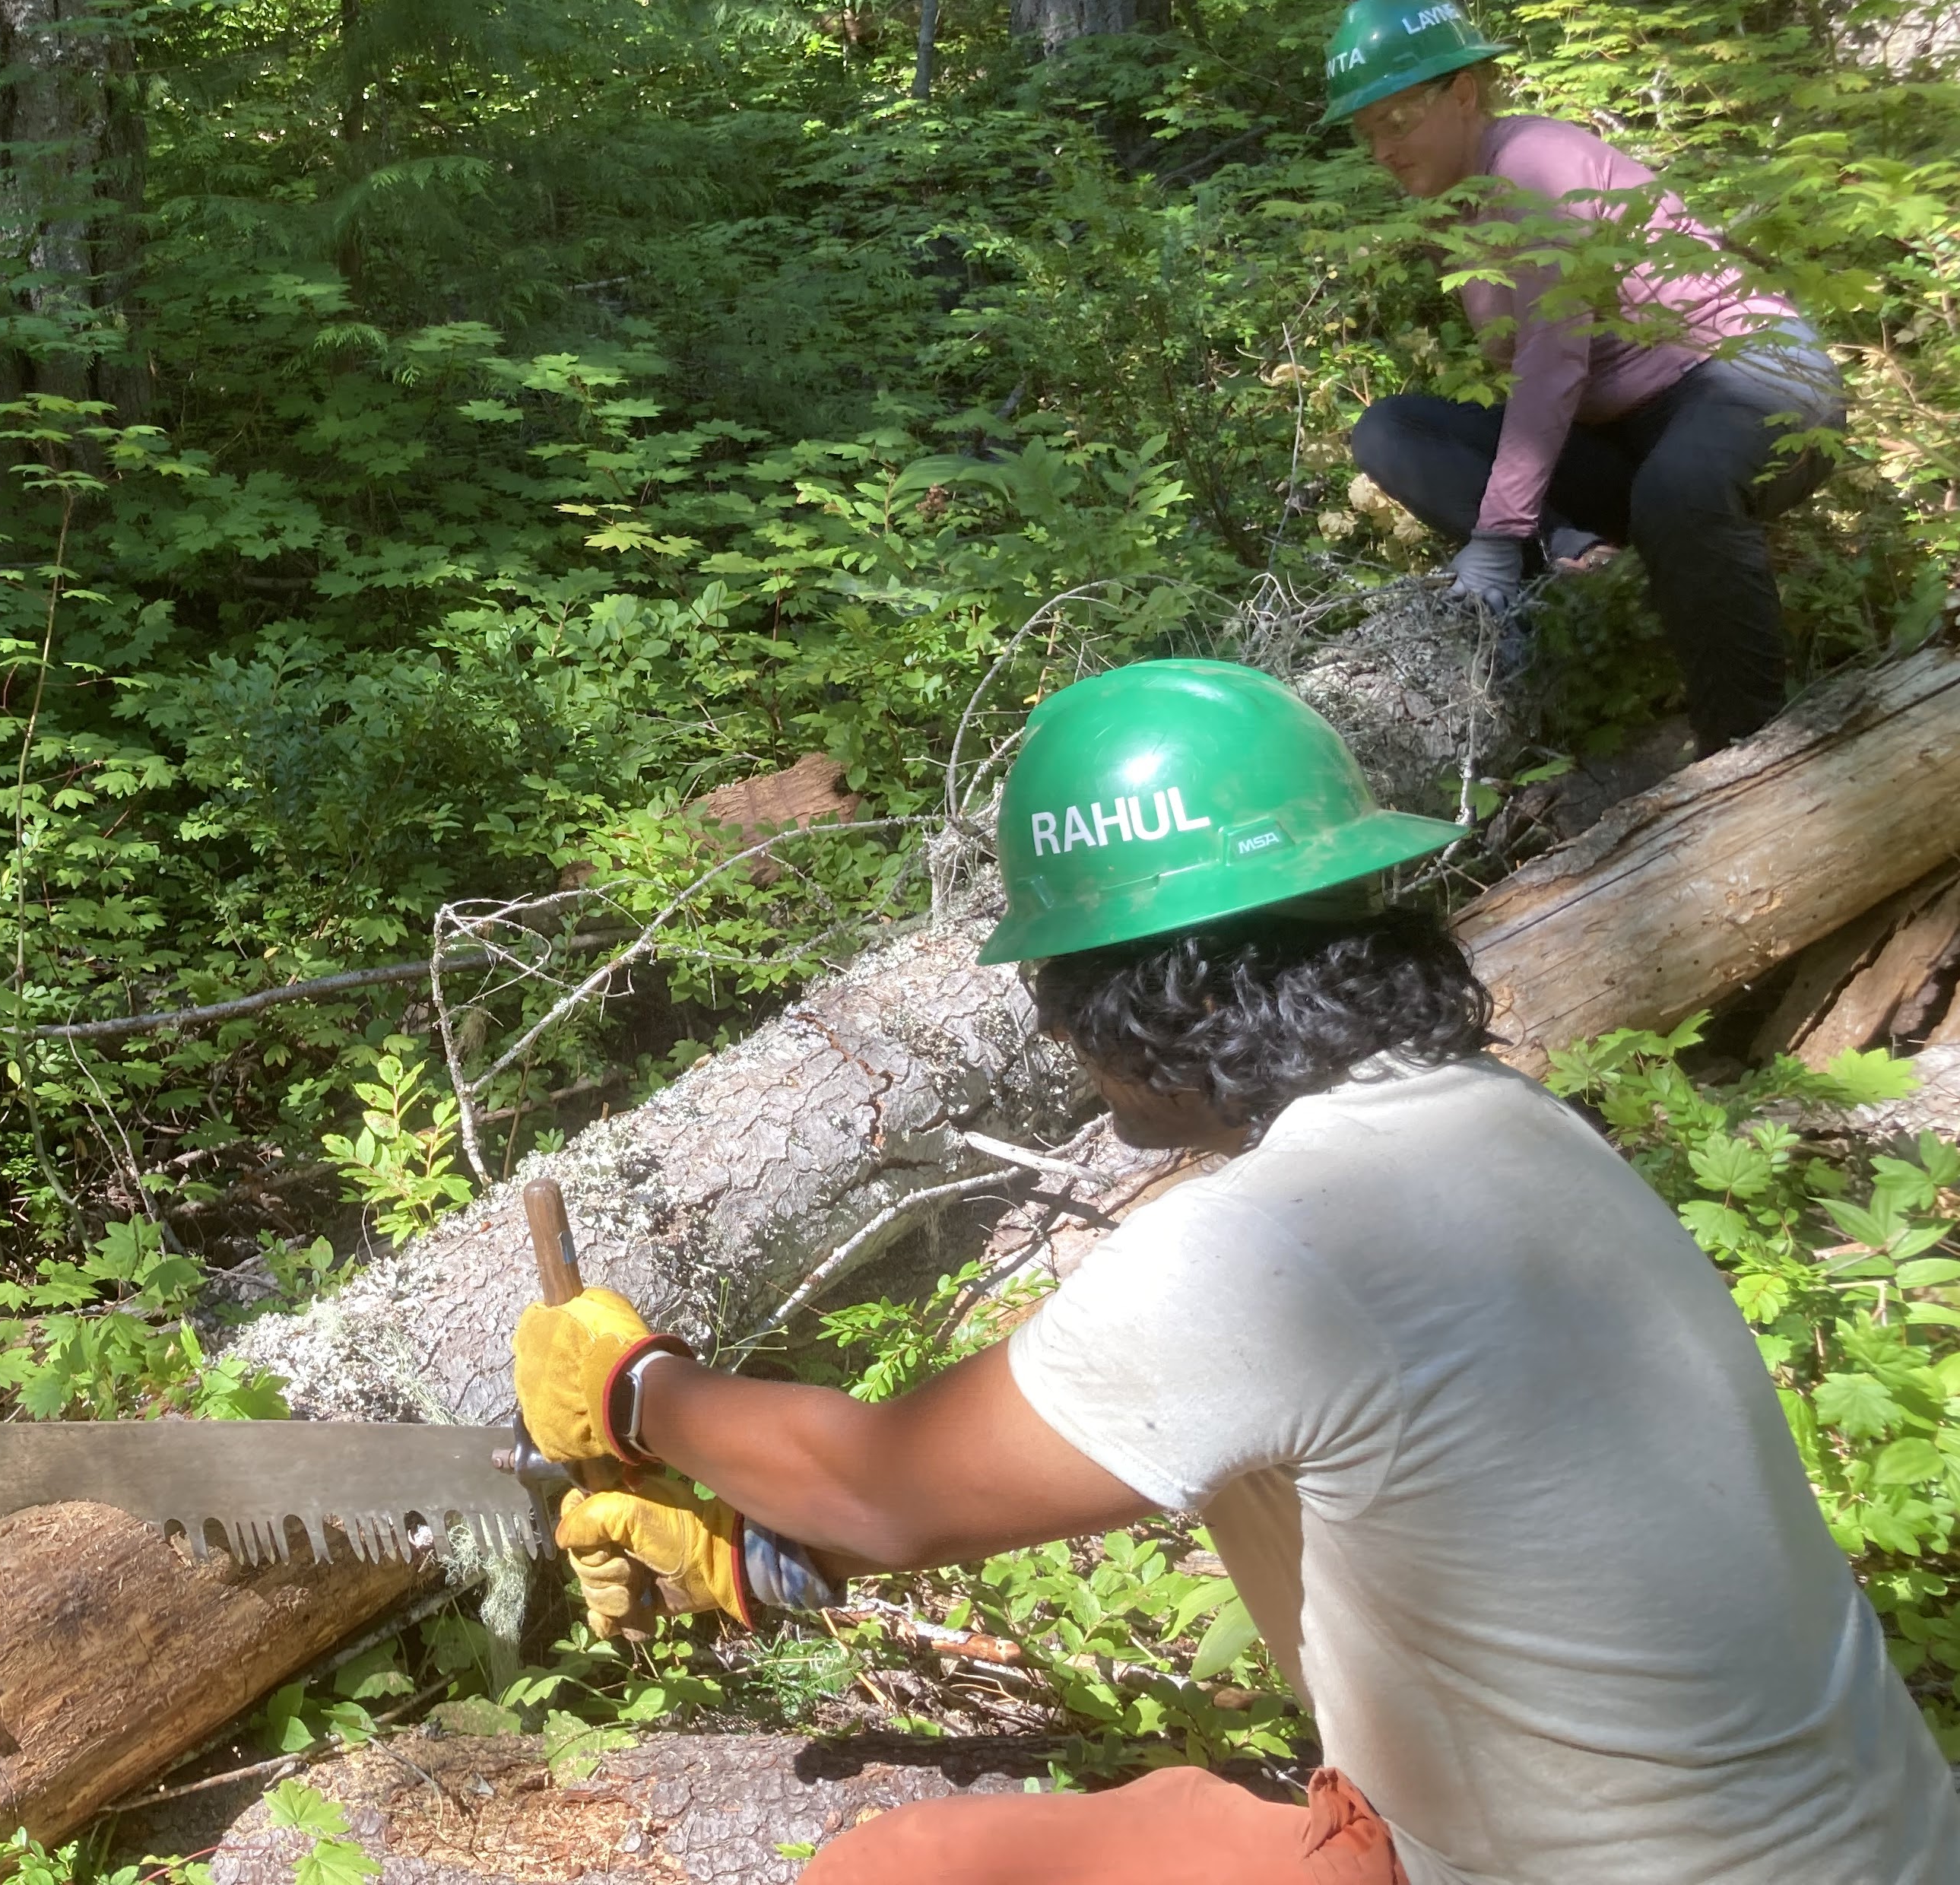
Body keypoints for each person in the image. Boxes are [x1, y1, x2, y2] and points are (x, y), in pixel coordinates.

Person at [514, 659, 1960, 1883]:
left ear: (1157, 995)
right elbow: (1041, 1462)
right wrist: (764, 1553)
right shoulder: (1509, 1132)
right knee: (1152, 1823)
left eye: (1054, 995)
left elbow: (882, 1484)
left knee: (884, 1870)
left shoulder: (1271, 1243)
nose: (1060, 1045)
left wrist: (638, 1388)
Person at [1323, 0, 1847, 751]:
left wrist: (1501, 530)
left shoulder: (1531, 162)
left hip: (1751, 379)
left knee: (1682, 488)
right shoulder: (1459, 212)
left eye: (1397, 120)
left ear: (1464, 93)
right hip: (1635, 432)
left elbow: (1552, 358)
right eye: (1367, 133)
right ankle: (1577, 562)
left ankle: (1746, 753)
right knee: (1394, 429)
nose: (1384, 149)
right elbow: (1528, 382)